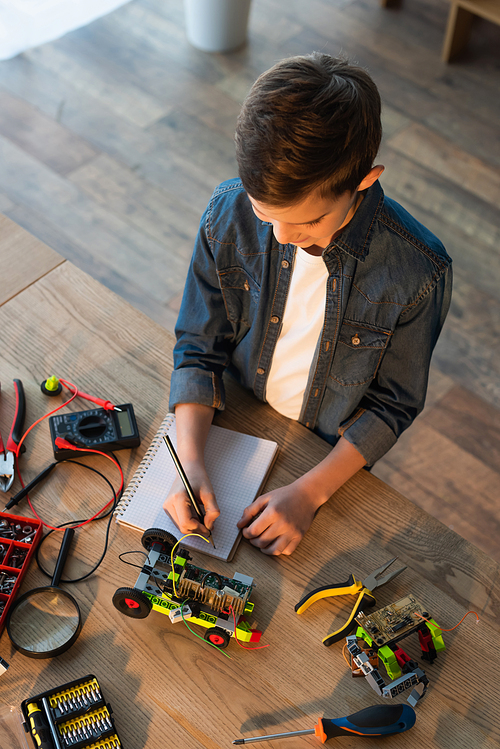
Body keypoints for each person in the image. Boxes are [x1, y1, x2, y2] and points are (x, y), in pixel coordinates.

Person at [164, 52, 452, 556]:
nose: (281, 236)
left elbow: (393, 405)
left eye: (309, 222)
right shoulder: (226, 213)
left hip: (325, 458)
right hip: (233, 417)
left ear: (363, 180)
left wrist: (309, 492)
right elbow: (198, 344)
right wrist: (189, 461)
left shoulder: (417, 272)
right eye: (264, 214)